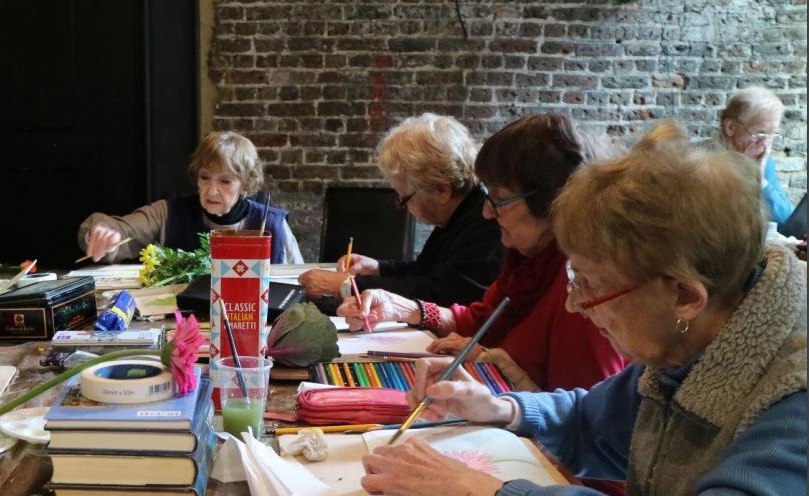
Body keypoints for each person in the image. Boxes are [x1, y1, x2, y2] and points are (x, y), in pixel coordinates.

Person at [360, 124, 806, 496]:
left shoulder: (791, 388)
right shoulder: (698, 339)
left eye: (591, 285)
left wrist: (481, 494)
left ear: (686, 295)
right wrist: (503, 409)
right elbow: (592, 419)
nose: (574, 305)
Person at [338, 113, 626, 393]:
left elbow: (589, 421)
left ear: (553, 202)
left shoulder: (579, 288)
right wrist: (406, 309)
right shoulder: (530, 262)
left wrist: (505, 373)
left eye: (499, 199)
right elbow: (481, 319)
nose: (487, 212)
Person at [298, 114, 502, 303]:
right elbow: (426, 271)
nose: (404, 207)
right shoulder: (461, 213)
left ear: (442, 190)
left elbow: (442, 294)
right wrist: (379, 268)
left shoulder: (486, 223)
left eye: (405, 199)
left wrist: (348, 285)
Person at [78, 131, 303, 264]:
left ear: (246, 184)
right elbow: (119, 228)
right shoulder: (167, 214)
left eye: (225, 181)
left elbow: (299, 284)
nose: (211, 190)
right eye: (205, 177)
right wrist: (103, 234)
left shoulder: (274, 224)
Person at [720, 86, 795, 226]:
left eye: (771, 134)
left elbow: (788, 219)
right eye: (760, 133)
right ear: (730, 127)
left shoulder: (762, 160)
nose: (765, 143)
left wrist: (760, 181)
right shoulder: (703, 159)